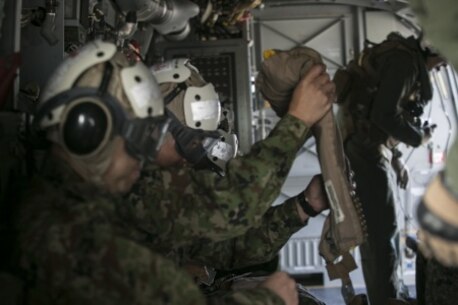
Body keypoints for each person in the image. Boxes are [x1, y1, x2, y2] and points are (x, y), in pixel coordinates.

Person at [9, 40, 300, 305]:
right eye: (145, 136)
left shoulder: (85, 198)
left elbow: (231, 244)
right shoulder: (72, 233)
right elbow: (232, 206)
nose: (142, 158)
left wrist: (303, 207)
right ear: (91, 133)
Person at [336, 31, 446, 305]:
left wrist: (395, 156)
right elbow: (383, 114)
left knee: (382, 232)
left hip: (366, 147)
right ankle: (386, 299)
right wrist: (418, 137)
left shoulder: (400, 56)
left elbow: (375, 109)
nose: (444, 65)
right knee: (380, 233)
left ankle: (390, 295)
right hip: (365, 151)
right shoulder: (405, 63)